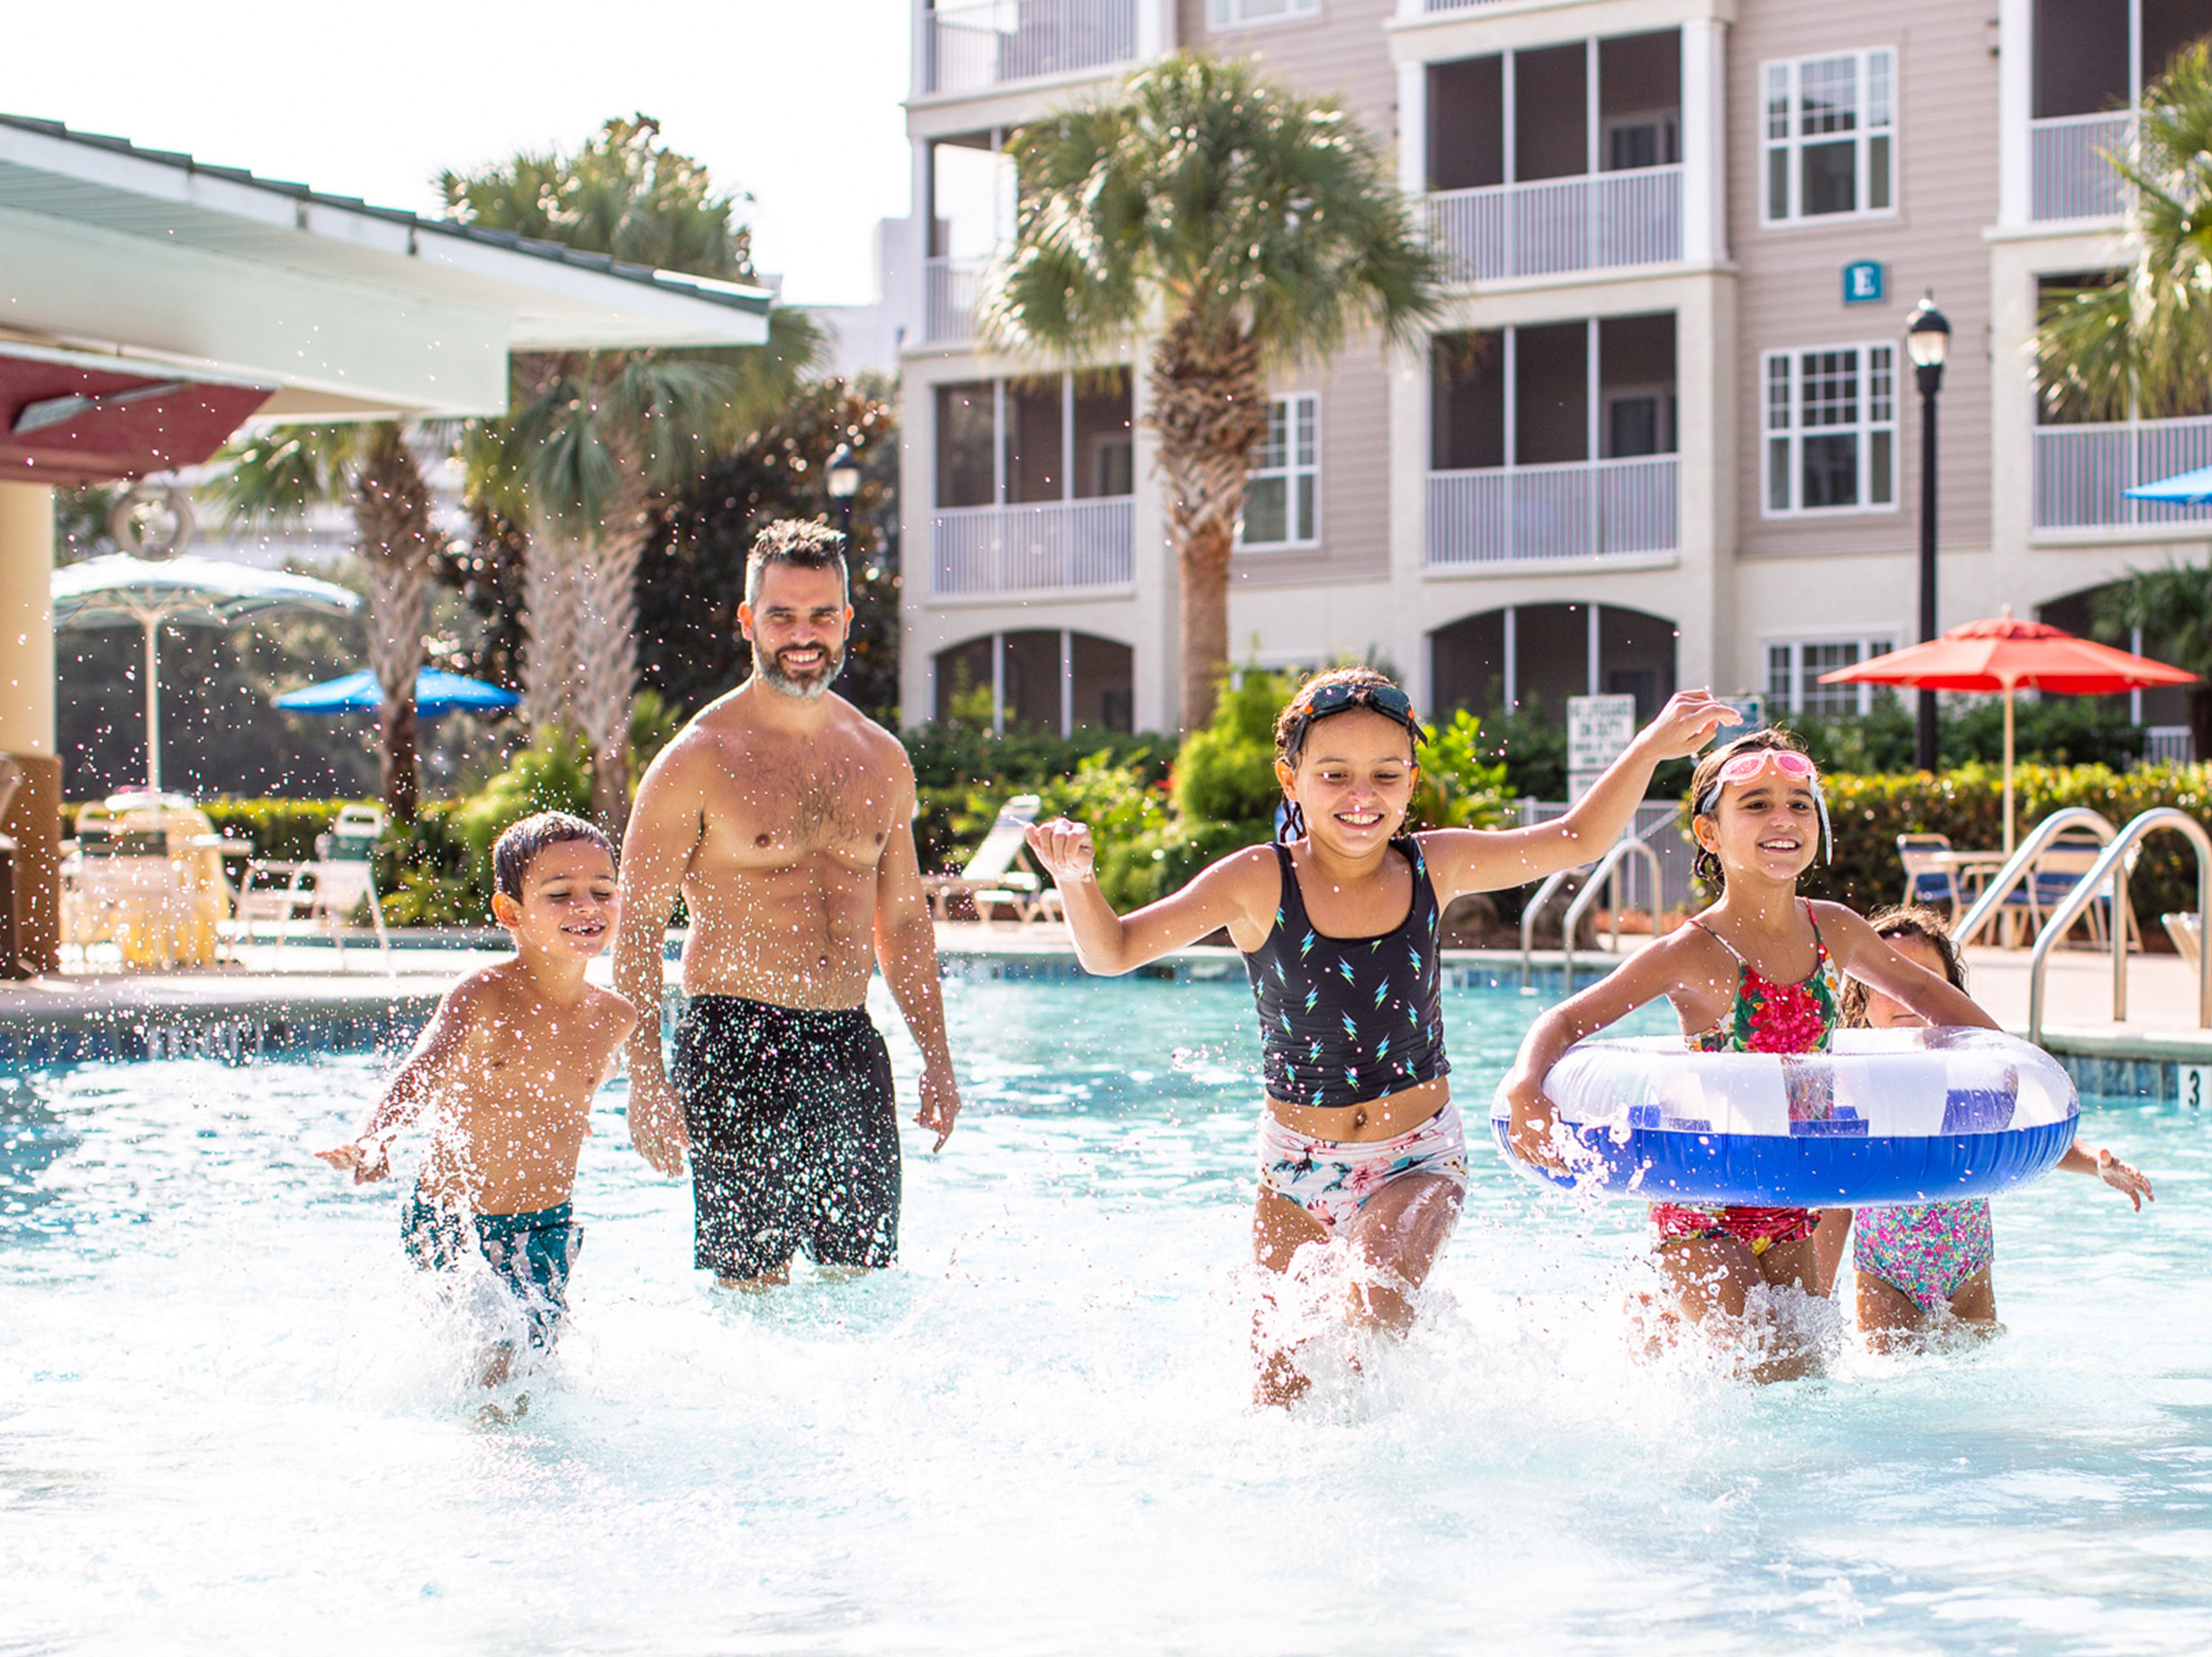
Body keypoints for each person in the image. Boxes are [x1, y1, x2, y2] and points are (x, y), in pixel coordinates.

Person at [1026, 668, 1738, 1405]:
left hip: (1415, 1155)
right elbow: (1109, 952)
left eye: (1385, 775)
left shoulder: (1435, 865)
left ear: (1411, 781)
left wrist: (1651, 746)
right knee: (1280, 1393)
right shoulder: (1255, 880)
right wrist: (1077, 881)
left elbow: (1577, 838)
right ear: (1290, 779)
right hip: (1294, 1169)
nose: (1361, 796)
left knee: (1370, 1311)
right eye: (1333, 774)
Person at [1499, 727, 1999, 1382]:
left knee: (1803, 1385)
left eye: (1798, 801)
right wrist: (1525, 1085)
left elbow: (1927, 994)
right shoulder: (1692, 950)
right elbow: (1566, 1019)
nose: (1783, 818)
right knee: (1761, 1375)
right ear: (1709, 833)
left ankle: (1653, 1324)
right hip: (1701, 1205)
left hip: (1788, 1205)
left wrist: (2001, 1065)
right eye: (1756, 804)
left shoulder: (1834, 930)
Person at [617, 518, 960, 1292]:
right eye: (781, 616)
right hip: (736, 1041)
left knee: (863, 1286)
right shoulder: (697, 759)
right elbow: (636, 931)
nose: (802, 636)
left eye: (821, 615)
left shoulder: (882, 758)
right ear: (747, 621)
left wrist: (937, 1058)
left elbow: (902, 921)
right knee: (753, 1299)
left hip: (847, 1042)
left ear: (847, 620)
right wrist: (645, 1080)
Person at [319, 813, 638, 1388]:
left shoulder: (614, 1017)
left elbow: (572, 1091)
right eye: (560, 894)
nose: (586, 905)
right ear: (510, 912)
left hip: (546, 1227)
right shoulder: (483, 995)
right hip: (454, 1223)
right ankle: (485, 1473)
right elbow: (421, 1069)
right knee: (492, 1360)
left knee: (530, 1377)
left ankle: (517, 1467)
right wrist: (377, 1135)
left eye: (603, 891)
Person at [1821, 903, 2153, 1347]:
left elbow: (2024, 1130)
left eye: (1920, 979)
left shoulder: (1969, 1071)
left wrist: (2096, 1162)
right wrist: (1815, 1296)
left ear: (1947, 994)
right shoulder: (1853, 1078)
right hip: (1885, 1272)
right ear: (1860, 998)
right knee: (1891, 1381)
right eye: (1887, 981)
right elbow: (1834, 1190)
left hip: (1968, 1266)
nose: (1904, 994)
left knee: (1971, 1378)